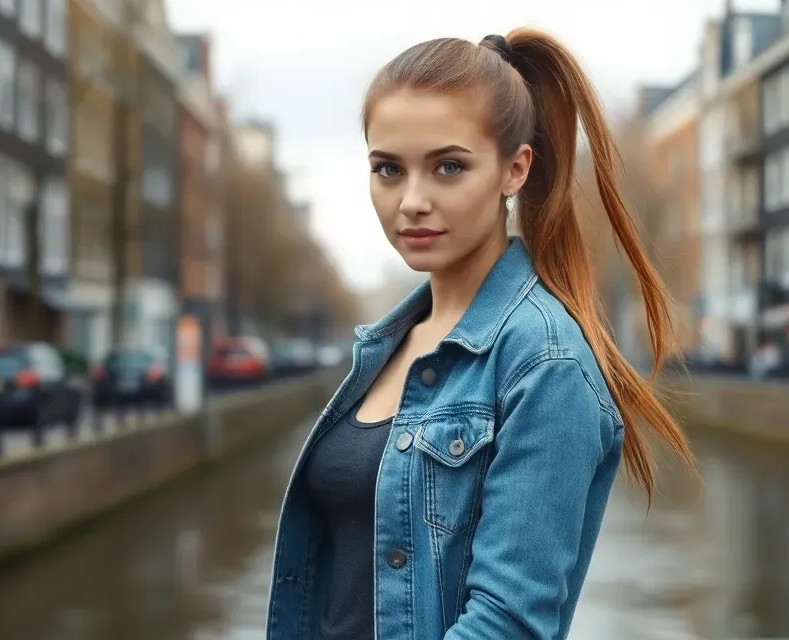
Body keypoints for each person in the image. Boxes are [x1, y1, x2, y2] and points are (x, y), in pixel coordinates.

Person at [266, 30, 697, 640]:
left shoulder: (544, 361)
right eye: (388, 169)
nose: (411, 201)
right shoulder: (390, 344)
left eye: (448, 167)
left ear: (515, 169)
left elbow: (509, 625)